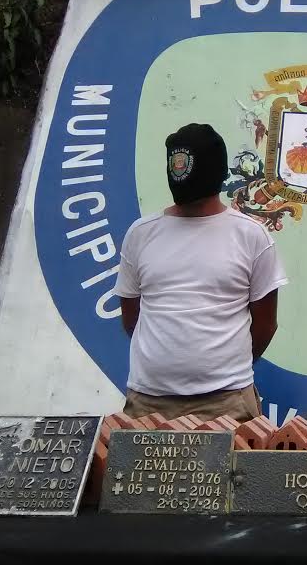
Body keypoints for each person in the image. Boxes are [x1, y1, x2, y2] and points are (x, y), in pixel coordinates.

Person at [113, 123, 288, 422]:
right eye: (175, 164)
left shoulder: (251, 235)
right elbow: (131, 318)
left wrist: (225, 370)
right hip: (148, 403)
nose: (179, 172)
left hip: (227, 404)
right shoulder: (141, 234)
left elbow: (265, 324)